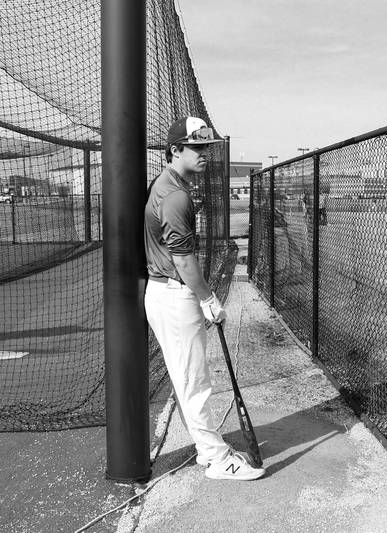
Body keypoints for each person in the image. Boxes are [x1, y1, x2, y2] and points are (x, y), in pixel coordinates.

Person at [144, 116, 266, 481]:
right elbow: (183, 259)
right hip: (174, 293)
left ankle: (206, 450)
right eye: (196, 148)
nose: (204, 155)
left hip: (167, 292)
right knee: (194, 382)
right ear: (175, 150)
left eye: (206, 148)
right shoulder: (176, 195)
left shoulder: (167, 184)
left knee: (187, 380)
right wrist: (207, 299)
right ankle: (216, 459)